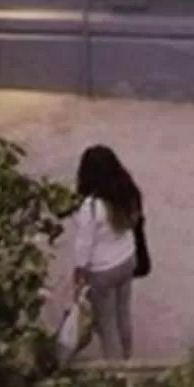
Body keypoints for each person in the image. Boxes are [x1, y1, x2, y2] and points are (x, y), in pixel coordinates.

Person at [67, 145, 145, 361]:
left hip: (102, 270)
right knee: (123, 315)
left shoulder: (91, 206)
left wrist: (79, 272)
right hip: (127, 260)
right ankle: (127, 357)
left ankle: (117, 373)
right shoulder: (128, 192)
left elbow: (85, 243)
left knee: (107, 324)